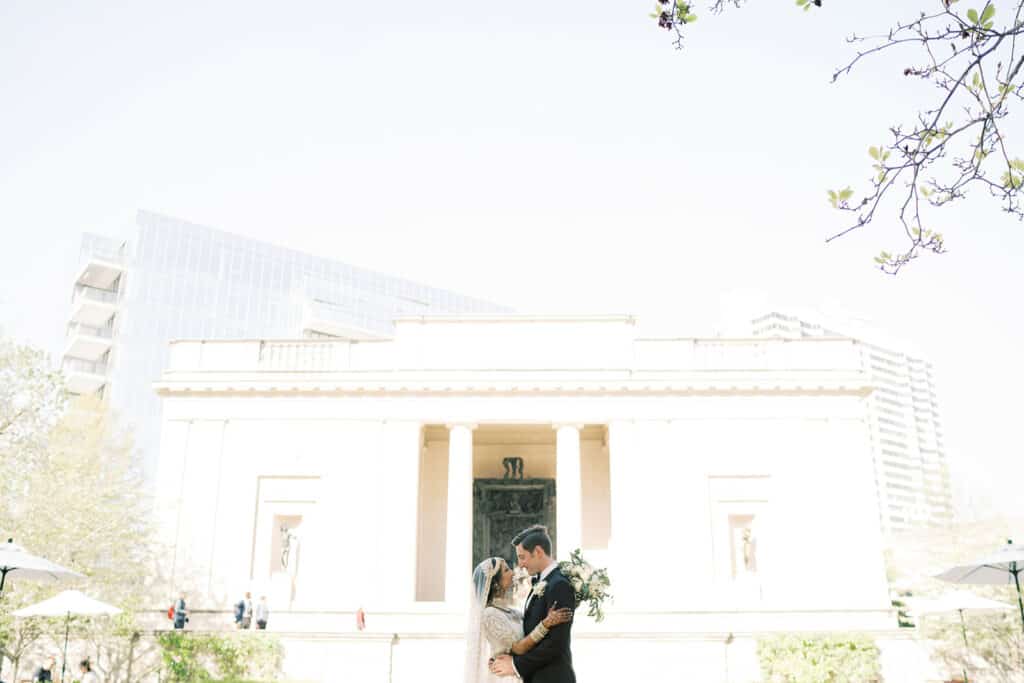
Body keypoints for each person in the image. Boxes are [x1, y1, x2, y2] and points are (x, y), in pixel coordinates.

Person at [464, 554, 572, 683]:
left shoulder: (511, 610)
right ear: (496, 584)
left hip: (523, 674)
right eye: (506, 570)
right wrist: (546, 623)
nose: (513, 572)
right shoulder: (490, 614)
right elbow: (518, 648)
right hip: (506, 676)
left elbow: (529, 630)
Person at [489, 525, 577, 682]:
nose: (520, 564)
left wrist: (515, 665)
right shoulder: (541, 581)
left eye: (522, 557)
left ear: (537, 552)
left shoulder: (559, 584)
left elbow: (556, 644)